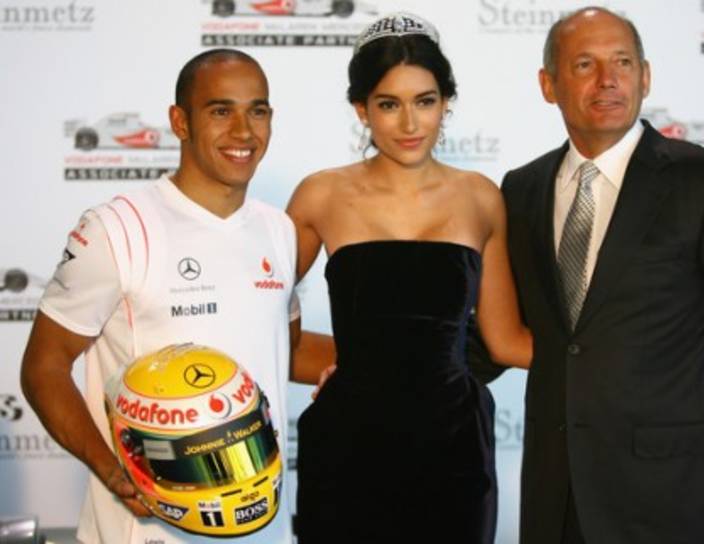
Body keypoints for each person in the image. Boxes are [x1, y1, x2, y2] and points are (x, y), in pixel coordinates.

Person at [469, 6, 704, 543]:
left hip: (675, 496)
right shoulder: (522, 189)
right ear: (548, 85)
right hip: (558, 494)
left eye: (623, 62)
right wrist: (382, 372)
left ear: (645, 77)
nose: (608, 79)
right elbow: (502, 330)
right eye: (585, 64)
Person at [19, 49, 332, 544]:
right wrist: (112, 470)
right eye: (221, 111)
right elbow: (44, 366)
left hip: (262, 529)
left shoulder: (279, 231)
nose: (244, 132)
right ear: (180, 121)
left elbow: (283, 348)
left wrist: (400, 362)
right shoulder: (116, 229)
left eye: (257, 111)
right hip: (144, 530)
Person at [286, 12, 532, 544]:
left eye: (425, 101)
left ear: (446, 102)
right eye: (388, 104)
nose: (410, 123)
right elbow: (263, 310)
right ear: (362, 109)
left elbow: (506, 341)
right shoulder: (320, 195)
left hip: (454, 450)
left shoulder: (481, 197)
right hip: (349, 448)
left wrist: (624, 358)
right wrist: (344, 365)